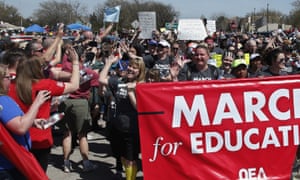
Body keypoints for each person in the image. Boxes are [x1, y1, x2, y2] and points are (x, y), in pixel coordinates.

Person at [8, 47, 80, 172]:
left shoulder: (9, 86)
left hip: (17, 139)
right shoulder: (44, 84)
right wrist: (75, 63)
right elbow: (75, 85)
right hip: (40, 139)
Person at [99, 54, 146, 180]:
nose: (131, 69)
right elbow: (101, 79)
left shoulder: (142, 85)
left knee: (131, 159)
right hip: (117, 127)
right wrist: (108, 63)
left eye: (135, 68)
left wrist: (131, 92)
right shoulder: (120, 81)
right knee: (121, 156)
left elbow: (139, 108)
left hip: (133, 130)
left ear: (140, 71)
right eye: (130, 66)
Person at [0, 63, 50, 179]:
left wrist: (32, 122)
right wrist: (37, 102)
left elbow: (7, 124)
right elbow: (21, 127)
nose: (11, 80)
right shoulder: (3, 101)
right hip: (10, 164)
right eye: (9, 77)